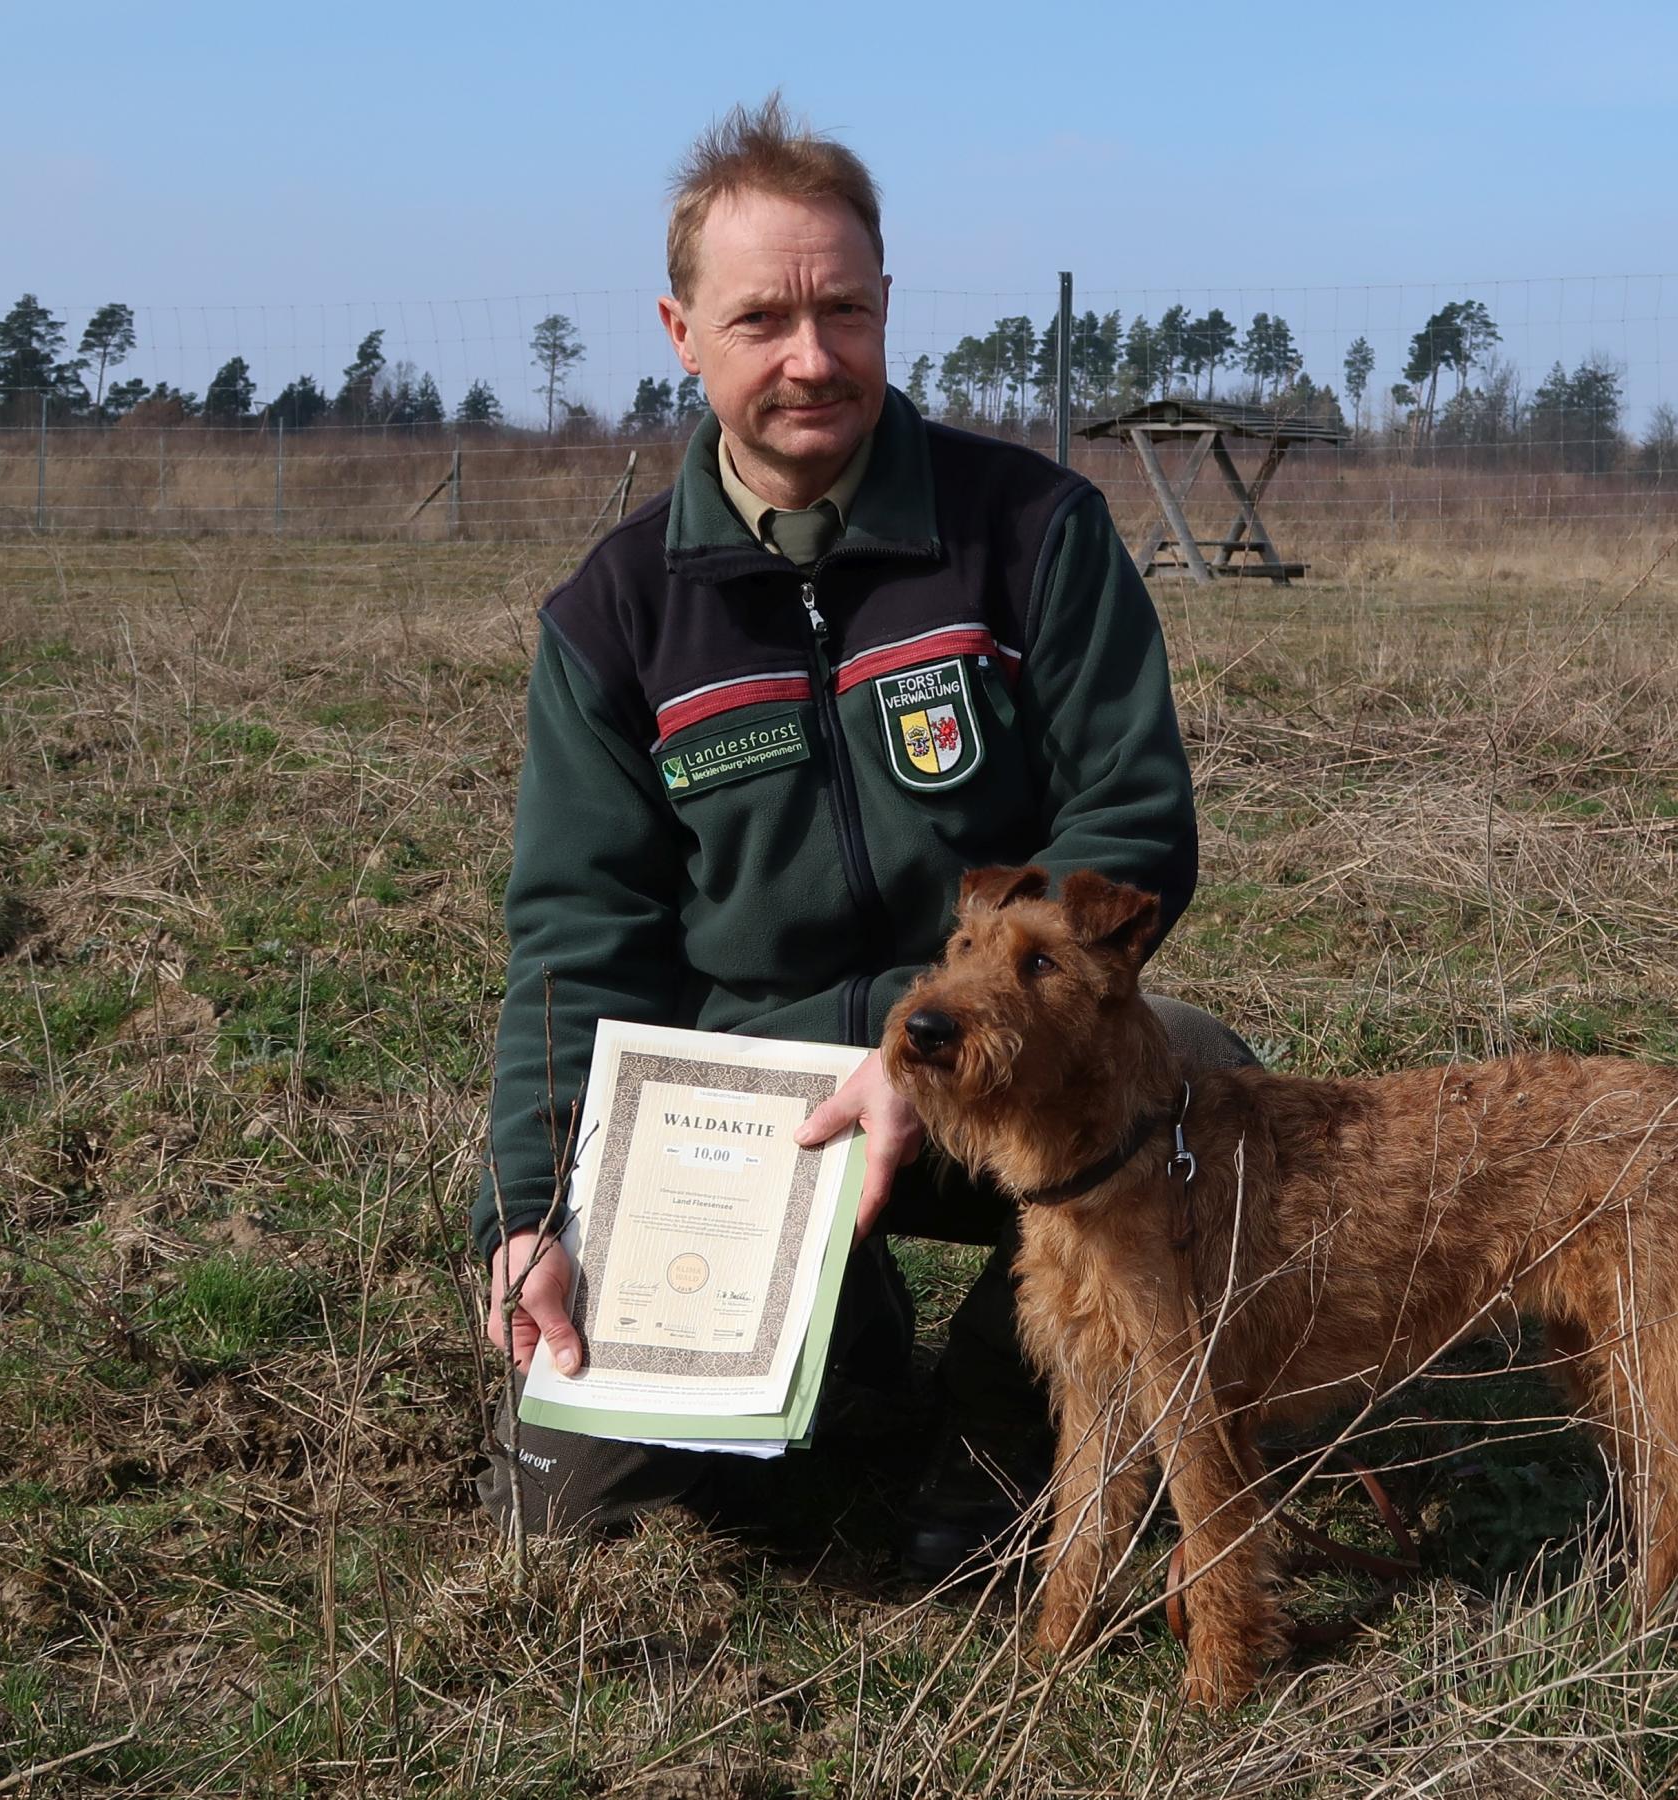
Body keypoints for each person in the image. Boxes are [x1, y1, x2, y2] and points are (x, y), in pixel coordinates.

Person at [472, 95, 1246, 1577]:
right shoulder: (617, 617)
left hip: (996, 1060)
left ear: (890, 307)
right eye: (761, 317)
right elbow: (575, 943)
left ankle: (1002, 1427)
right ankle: (852, 1343)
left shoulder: (1032, 534)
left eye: (842, 309)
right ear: (680, 329)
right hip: (737, 1106)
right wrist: (529, 1215)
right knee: (573, 1516)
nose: (810, 356)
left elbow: (1131, 826)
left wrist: (925, 1047)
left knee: (1200, 1085)